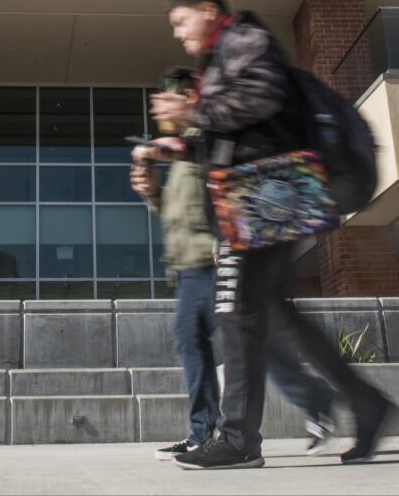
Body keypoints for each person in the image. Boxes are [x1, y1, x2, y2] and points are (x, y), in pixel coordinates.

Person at [147, 0, 392, 469]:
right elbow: (241, 131)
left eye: (180, 22)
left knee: (235, 309)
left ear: (207, 10)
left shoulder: (244, 39)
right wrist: (181, 146)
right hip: (260, 195)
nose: (178, 34)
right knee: (273, 312)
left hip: (263, 197)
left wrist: (192, 111)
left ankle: (238, 440)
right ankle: (365, 402)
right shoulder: (222, 57)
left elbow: (260, 98)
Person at [132, 68, 338, 462]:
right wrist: (151, 193)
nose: (157, 107)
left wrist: (221, 245)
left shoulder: (202, 144)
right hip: (189, 269)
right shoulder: (177, 157)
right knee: (197, 345)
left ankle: (314, 400)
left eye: (163, 98)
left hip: (214, 263)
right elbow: (178, 215)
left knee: (246, 347)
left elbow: (221, 202)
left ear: (186, 98)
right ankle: (203, 432)